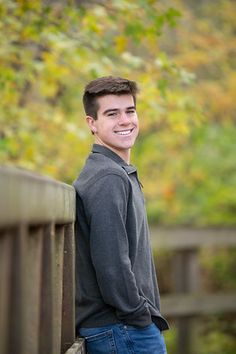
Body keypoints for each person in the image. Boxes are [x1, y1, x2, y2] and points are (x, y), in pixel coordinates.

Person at [73, 76, 169, 354]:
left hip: (121, 328)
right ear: (92, 123)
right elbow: (111, 261)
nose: (125, 120)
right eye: (112, 114)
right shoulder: (108, 177)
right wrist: (140, 316)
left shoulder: (115, 172)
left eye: (130, 111)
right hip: (122, 329)